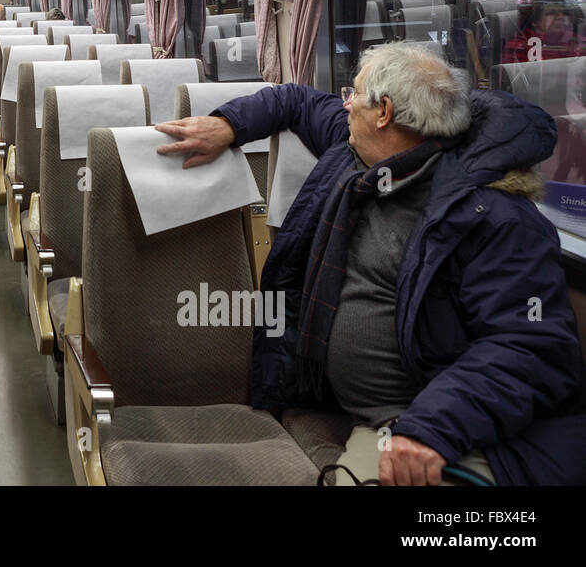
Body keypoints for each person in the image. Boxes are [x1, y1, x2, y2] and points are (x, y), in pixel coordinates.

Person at [155, 41, 585, 485]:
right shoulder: (355, 152)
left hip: (437, 426)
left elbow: (527, 348)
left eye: (353, 94)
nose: (344, 104)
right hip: (376, 415)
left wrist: (430, 430)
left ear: (383, 112)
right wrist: (229, 125)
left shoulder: (494, 217)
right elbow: (294, 101)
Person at [500, 0, 585, 64]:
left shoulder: (577, 40)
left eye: (563, 12)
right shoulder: (519, 48)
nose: (561, 17)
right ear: (535, 21)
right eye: (552, 13)